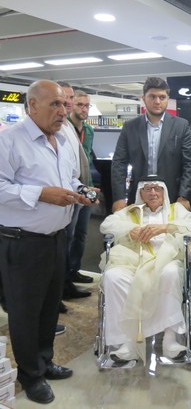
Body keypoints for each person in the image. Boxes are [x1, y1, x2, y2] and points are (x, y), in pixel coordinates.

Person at [0, 80, 97, 404]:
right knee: (25, 313)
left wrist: (81, 191)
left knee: (48, 309)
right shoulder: (10, 141)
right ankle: (30, 375)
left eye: (64, 105)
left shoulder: (63, 139)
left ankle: (45, 361)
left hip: (56, 239)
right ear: (32, 105)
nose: (63, 111)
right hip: (23, 243)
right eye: (55, 104)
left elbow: (68, 179)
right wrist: (41, 194)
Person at [99, 176, 191, 362]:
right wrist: (129, 229)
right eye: (148, 189)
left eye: (157, 188)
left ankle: (170, 340)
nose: (153, 193)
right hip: (133, 261)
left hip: (166, 260)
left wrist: (166, 228)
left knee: (170, 273)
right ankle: (126, 341)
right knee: (113, 276)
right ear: (141, 193)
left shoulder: (175, 209)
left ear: (164, 192)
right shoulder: (131, 211)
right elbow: (106, 225)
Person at [111, 77, 191, 213]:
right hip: (139, 196)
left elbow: (190, 164)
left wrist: (184, 196)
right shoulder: (130, 127)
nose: (157, 101)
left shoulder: (181, 126)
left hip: (171, 197)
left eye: (162, 97)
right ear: (143, 98)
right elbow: (119, 163)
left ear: (167, 99)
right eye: (152, 97)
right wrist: (119, 197)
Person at [57, 82, 92, 303]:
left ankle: (68, 278)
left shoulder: (73, 129)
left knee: (77, 235)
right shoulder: (59, 127)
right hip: (62, 196)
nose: (68, 103)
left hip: (78, 188)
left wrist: (83, 188)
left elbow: (76, 166)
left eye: (70, 99)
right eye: (65, 99)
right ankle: (61, 287)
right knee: (65, 239)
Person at [66, 90, 95, 284]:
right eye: (80, 105)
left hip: (87, 187)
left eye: (86, 105)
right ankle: (65, 276)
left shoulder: (89, 131)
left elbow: (88, 160)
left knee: (82, 233)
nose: (84, 109)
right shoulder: (64, 127)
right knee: (69, 233)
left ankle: (75, 269)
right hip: (71, 188)